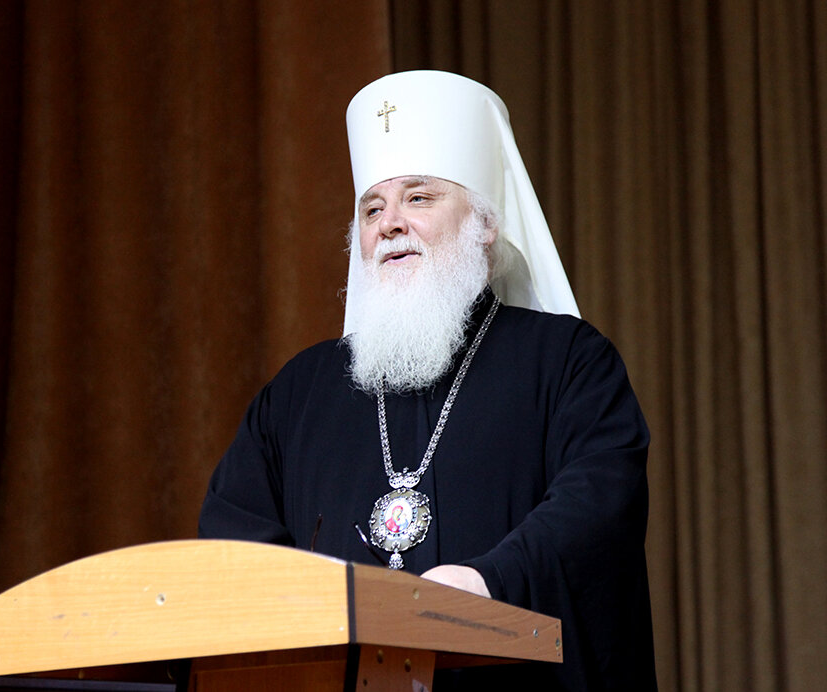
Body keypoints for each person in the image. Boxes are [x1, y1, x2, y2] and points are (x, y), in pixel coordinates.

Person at [198, 70, 657, 691]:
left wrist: (488, 582)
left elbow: (599, 505)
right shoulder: (299, 394)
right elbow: (234, 537)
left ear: (485, 224)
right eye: (372, 209)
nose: (389, 223)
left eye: (418, 199)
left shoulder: (569, 361)